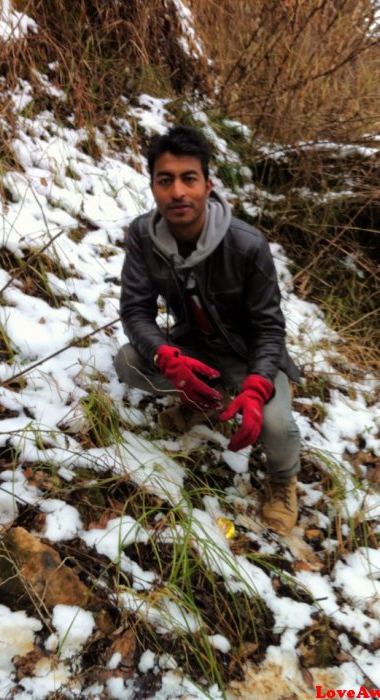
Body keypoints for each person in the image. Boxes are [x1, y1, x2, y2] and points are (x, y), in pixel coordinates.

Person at [114, 125, 301, 535]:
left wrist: (257, 385)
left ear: (207, 185)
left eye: (188, 179)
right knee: (129, 362)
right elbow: (135, 310)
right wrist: (166, 355)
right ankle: (205, 402)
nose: (177, 192)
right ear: (153, 187)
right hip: (193, 345)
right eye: (166, 180)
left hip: (248, 355)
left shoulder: (247, 244)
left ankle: (283, 480)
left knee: (276, 425)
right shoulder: (143, 237)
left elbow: (270, 328)